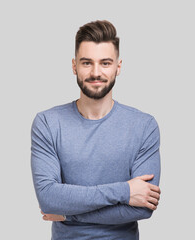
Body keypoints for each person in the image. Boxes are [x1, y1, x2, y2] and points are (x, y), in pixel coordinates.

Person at [30, 20, 161, 240]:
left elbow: (143, 208)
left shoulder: (144, 126)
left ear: (118, 67)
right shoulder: (47, 123)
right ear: (74, 66)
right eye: (87, 63)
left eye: (105, 63)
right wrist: (124, 191)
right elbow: (48, 198)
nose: (96, 72)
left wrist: (67, 214)